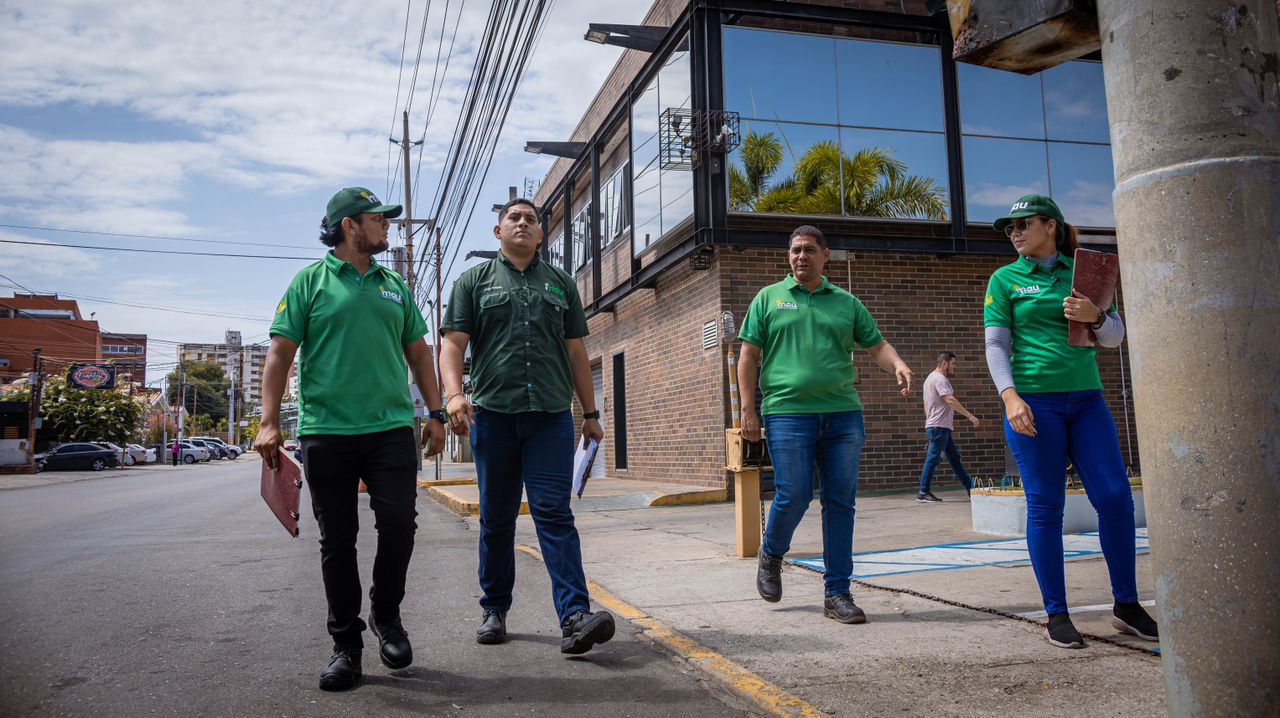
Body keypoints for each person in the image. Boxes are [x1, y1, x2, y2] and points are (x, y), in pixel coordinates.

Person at [255, 186, 446, 691]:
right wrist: (268, 420)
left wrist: (436, 411)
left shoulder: (394, 285)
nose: (387, 226)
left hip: (388, 430)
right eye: (377, 219)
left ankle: (387, 615)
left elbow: (420, 354)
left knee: (400, 526)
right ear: (349, 226)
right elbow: (279, 354)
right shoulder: (309, 283)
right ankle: (346, 645)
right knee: (337, 542)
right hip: (327, 432)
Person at [440, 198, 615, 655]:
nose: (522, 223)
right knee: (496, 520)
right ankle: (494, 609)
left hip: (550, 420)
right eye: (513, 218)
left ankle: (575, 616)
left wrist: (591, 415)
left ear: (541, 236)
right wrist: (454, 394)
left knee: (554, 515)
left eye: (531, 220)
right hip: (493, 419)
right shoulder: (472, 282)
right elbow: (452, 346)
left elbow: (577, 353)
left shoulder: (560, 285)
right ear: (498, 233)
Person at [984, 194, 1157, 649]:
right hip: (1033, 405)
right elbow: (996, 347)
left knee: (1117, 498)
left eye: (1024, 223)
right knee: (1046, 507)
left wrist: (1096, 316)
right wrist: (1010, 397)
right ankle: (1057, 615)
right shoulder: (1005, 280)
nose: (1015, 232)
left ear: (1051, 226)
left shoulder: (1087, 273)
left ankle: (1127, 606)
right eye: (1010, 227)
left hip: (1086, 402)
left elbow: (1114, 339)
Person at [739, 225, 913, 624]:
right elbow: (748, 356)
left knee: (840, 503)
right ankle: (771, 553)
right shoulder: (769, 299)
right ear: (789, 256)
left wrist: (898, 363)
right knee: (794, 493)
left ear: (825, 256)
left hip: (842, 414)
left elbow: (876, 346)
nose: (801, 256)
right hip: (786, 413)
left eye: (809, 250)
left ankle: (837, 594)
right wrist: (748, 410)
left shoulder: (846, 302)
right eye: (795, 250)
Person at [917, 351, 979, 503]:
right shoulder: (940, 379)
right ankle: (923, 492)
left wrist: (930, 426)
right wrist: (970, 416)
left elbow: (927, 405)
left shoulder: (930, 379)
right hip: (939, 427)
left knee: (954, 459)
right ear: (944, 363)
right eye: (953, 363)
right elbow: (950, 400)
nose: (955, 367)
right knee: (933, 458)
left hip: (939, 427)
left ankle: (971, 489)